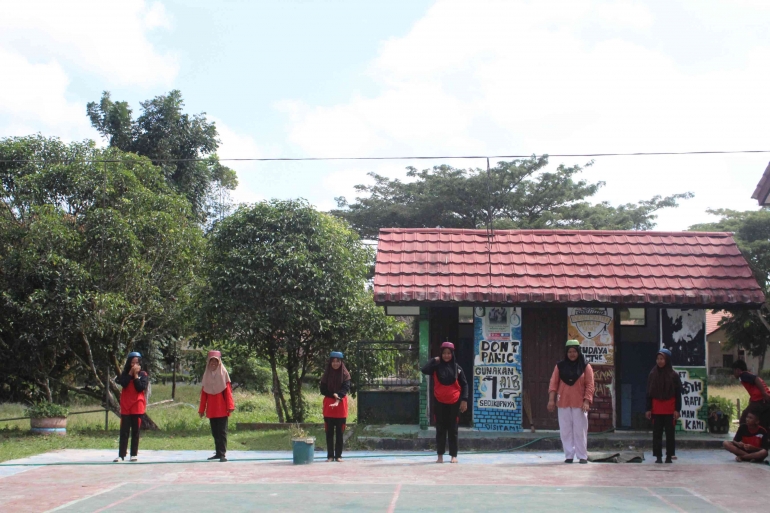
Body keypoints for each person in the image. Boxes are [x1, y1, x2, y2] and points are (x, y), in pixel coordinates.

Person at [548, 340, 595, 464]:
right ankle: (569, 455)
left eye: (574, 351)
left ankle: (582, 456)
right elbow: (553, 384)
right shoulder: (559, 366)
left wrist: (586, 401)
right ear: (566, 353)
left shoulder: (586, 366)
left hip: (580, 404)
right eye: (569, 352)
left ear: (578, 352)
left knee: (580, 430)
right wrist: (551, 400)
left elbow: (590, 385)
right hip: (563, 402)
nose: (572, 354)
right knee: (565, 430)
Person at [421, 341, 468, 464]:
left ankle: (453, 455)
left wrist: (464, 400)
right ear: (441, 354)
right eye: (444, 353)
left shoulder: (458, 369)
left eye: (449, 353)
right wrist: (434, 360)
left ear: (452, 354)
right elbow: (424, 369)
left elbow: (465, 385)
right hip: (440, 403)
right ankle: (440, 456)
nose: (446, 355)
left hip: (454, 403)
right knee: (440, 429)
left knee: (453, 430)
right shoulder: (436, 368)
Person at [645, 348, 683, 464]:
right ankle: (658, 457)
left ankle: (669, 456)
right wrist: (648, 409)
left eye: (662, 359)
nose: (659, 361)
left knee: (670, 434)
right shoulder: (652, 374)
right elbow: (649, 393)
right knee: (657, 434)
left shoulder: (674, 375)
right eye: (658, 359)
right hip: (656, 409)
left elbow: (678, 394)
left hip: (670, 409)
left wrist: (677, 409)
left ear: (667, 360)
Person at [198, 351, 235, 462]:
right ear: (208, 363)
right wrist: (201, 410)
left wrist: (230, 406)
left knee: (222, 432)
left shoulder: (224, 375)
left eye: (215, 361)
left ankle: (222, 453)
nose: (213, 363)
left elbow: (228, 392)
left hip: (222, 408)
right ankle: (218, 453)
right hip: (212, 409)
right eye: (211, 361)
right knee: (215, 432)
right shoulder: (206, 376)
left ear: (219, 362)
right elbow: (204, 395)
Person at [114, 351, 149, 462]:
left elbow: (140, 388)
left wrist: (136, 375)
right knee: (124, 431)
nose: (134, 365)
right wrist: (130, 373)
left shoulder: (143, 375)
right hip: (126, 405)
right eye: (132, 363)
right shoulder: (125, 374)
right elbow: (123, 383)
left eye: (136, 363)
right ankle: (121, 455)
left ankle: (134, 454)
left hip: (137, 405)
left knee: (135, 431)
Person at [320, 351, 351, 462]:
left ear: (341, 362)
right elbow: (323, 389)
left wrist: (338, 397)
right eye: (333, 361)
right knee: (329, 433)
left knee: (339, 432)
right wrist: (332, 394)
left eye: (337, 361)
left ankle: (338, 456)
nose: (335, 363)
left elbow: (346, 387)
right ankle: (330, 456)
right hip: (329, 405)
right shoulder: (326, 374)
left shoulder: (345, 374)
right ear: (330, 362)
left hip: (341, 405)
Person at [731, 360, 770, 429]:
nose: (733, 374)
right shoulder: (746, 375)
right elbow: (753, 387)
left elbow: (756, 379)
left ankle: (743, 436)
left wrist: (764, 393)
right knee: (763, 421)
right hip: (761, 400)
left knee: (745, 418)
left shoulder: (743, 375)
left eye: (733, 371)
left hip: (760, 399)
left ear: (737, 370)